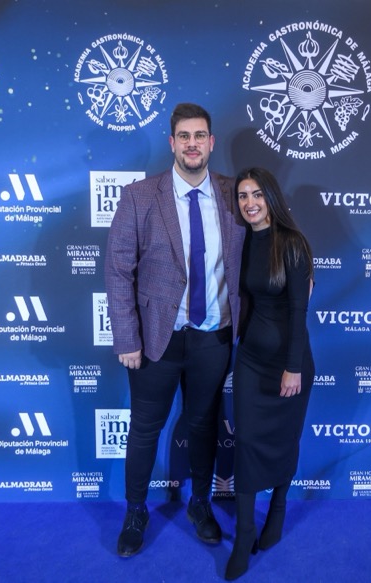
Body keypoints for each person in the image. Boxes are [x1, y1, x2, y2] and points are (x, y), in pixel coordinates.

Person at [105, 103, 246, 558]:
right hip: (155, 340)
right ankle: (135, 512)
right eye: (184, 136)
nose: (192, 143)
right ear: (172, 143)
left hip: (214, 336)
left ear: (211, 142)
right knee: (145, 429)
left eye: (199, 135)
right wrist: (127, 338)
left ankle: (200, 504)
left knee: (203, 425)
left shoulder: (234, 194)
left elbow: (268, 241)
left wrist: (300, 270)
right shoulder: (139, 196)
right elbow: (117, 271)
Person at [226, 167, 315, 580]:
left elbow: (299, 311)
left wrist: (292, 368)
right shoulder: (243, 241)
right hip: (249, 361)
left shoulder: (292, 244)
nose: (250, 203)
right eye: (243, 196)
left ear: (271, 198)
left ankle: (277, 511)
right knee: (245, 442)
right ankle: (245, 533)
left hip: (288, 365)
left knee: (284, 441)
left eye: (257, 194)